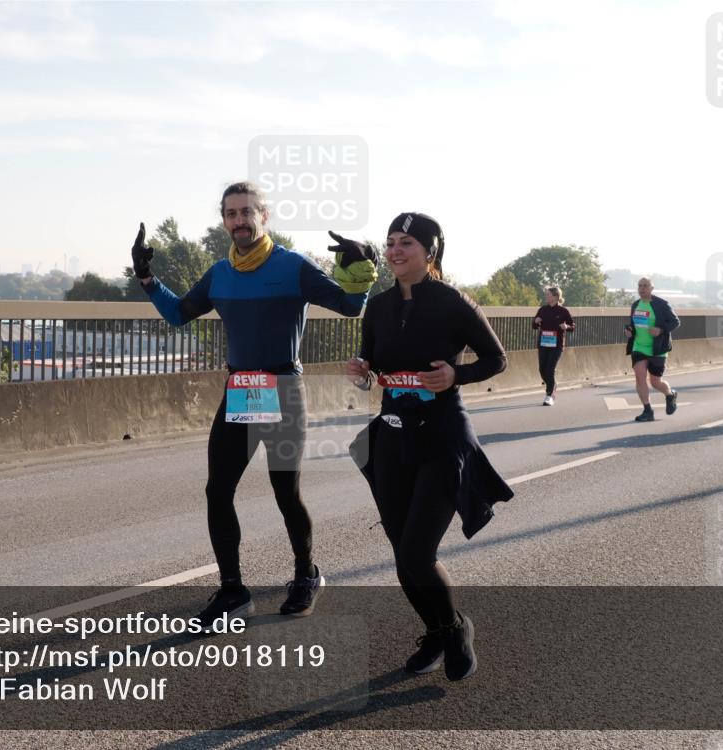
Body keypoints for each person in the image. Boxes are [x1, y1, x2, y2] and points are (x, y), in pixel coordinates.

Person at [132, 181, 378, 628]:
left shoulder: (293, 267)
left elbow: (348, 306)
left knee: (286, 492)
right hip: (242, 388)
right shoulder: (220, 273)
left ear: (264, 216)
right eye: (231, 214)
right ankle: (232, 592)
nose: (239, 221)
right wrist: (148, 280)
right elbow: (180, 313)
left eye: (247, 212)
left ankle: (306, 575)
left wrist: (360, 266)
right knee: (217, 491)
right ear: (224, 220)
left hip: (283, 388)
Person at [345, 212, 513, 679]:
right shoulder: (377, 308)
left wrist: (456, 375)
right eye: (391, 242)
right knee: (403, 555)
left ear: (430, 252)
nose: (396, 251)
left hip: (442, 438)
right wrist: (363, 372)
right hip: (393, 439)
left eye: (407, 243)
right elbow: (374, 369)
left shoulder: (452, 302)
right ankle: (437, 631)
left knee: (418, 553)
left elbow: (497, 359)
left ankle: (457, 628)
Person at [624, 277, 680, 423]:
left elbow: (675, 322)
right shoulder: (636, 305)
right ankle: (647, 410)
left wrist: (661, 330)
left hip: (657, 348)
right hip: (639, 346)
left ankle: (669, 394)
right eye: (640, 286)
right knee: (639, 375)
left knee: (655, 382)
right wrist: (630, 331)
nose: (642, 288)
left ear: (651, 288)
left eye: (645, 286)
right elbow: (633, 324)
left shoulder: (662, 304)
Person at [531, 286, 575, 406]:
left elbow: (572, 326)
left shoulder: (563, 311)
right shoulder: (543, 310)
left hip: (557, 345)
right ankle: (553, 384)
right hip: (543, 344)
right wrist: (535, 321)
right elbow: (534, 325)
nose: (546, 296)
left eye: (548, 295)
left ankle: (549, 395)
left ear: (555, 297)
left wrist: (567, 327)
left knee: (550, 370)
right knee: (542, 370)